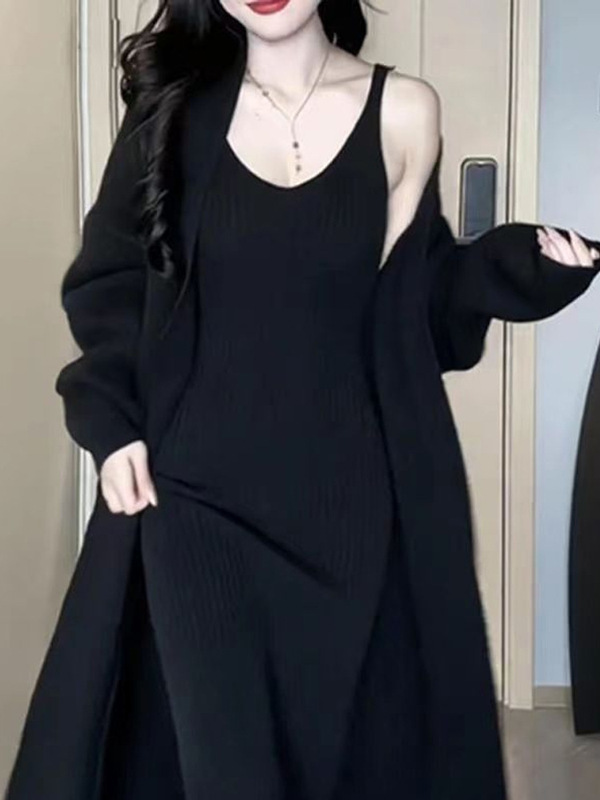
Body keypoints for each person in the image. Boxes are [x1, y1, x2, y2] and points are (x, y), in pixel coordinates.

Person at [6, 2, 600, 799]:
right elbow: (109, 288)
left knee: (345, 764)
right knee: (226, 769)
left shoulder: (404, 111)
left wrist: (513, 270)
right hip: (194, 508)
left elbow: (413, 310)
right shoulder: (171, 113)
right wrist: (111, 427)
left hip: (351, 505)